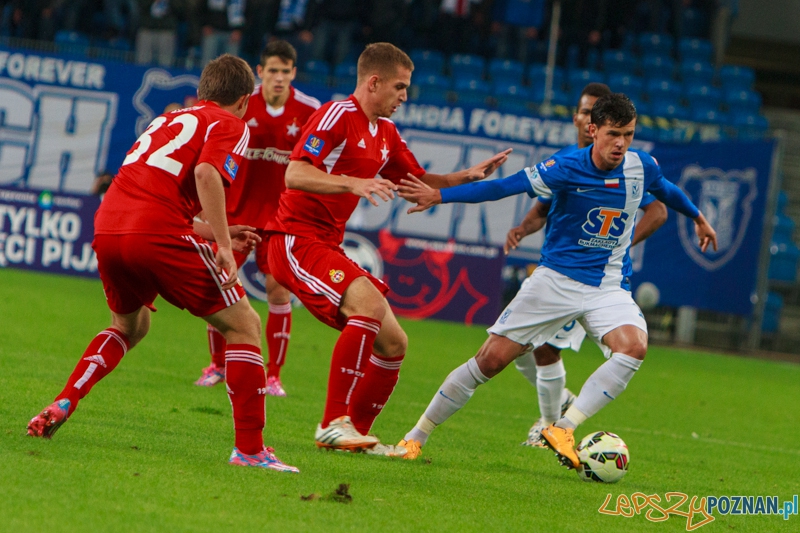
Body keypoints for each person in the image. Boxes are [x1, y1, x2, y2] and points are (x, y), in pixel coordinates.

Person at [396, 93, 717, 467]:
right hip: (555, 282)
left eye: (628, 135)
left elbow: (666, 191)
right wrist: (440, 195)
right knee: (490, 361)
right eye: (614, 134)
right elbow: (504, 187)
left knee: (633, 347)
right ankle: (415, 437)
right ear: (593, 130)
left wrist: (697, 217)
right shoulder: (564, 165)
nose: (621, 144)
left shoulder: (640, 166)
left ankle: (562, 427)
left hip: (607, 287)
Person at [26, 54, 299, 473]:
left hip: (109, 226)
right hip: (155, 232)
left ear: (205, 90)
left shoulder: (166, 120)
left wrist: (218, 232)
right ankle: (250, 450)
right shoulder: (231, 123)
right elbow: (209, 174)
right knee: (244, 325)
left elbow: (155, 193)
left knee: (130, 326)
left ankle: (67, 399)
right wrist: (225, 245)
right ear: (245, 99)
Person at [264, 42, 511, 454]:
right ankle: (333, 422)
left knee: (394, 342)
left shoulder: (386, 134)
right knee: (369, 305)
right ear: (373, 82)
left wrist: (466, 176)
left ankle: (353, 434)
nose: (404, 97)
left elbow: (417, 183)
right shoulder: (336, 115)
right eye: (399, 87)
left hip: (326, 243)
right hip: (293, 237)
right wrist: (353, 183)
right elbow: (295, 172)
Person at [505, 83, 668, 448]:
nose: (584, 117)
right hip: (557, 270)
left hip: (593, 279)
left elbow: (658, 209)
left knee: (545, 349)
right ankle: (559, 406)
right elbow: (542, 209)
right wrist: (522, 228)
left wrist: (621, 243)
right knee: (523, 354)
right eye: (581, 110)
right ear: (581, 119)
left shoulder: (627, 167)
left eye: (592, 112)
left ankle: (550, 426)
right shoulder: (565, 161)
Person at [196, 40, 321, 396]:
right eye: (273, 71)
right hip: (234, 213)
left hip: (280, 218)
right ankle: (217, 366)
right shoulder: (241, 104)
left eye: (286, 71)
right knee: (218, 285)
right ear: (260, 72)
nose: (279, 78)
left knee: (277, 290)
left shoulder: (310, 110)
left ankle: (273, 375)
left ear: (293, 73)